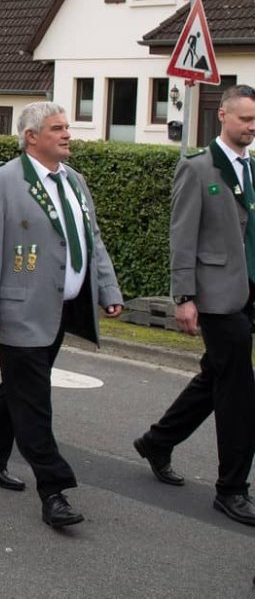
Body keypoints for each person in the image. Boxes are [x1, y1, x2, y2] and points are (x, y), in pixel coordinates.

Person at [0, 101, 122, 530]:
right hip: (17, 312)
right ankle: (54, 489)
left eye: (67, 127)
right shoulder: (0, 182)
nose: (67, 135)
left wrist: (107, 288)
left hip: (59, 309)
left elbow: (91, 240)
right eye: (57, 128)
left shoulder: (74, 181)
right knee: (34, 400)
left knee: (19, 389)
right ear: (31, 136)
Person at [134, 84, 255, 526]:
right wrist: (184, 297)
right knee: (239, 387)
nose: (251, 127)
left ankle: (157, 441)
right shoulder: (198, 168)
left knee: (215, 375)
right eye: (245, 119)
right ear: (222, 116)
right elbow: (181, 236)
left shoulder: (252, 168)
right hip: (216, 296)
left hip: (249, 291)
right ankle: (232, 488)